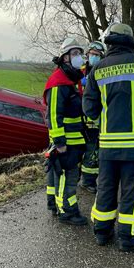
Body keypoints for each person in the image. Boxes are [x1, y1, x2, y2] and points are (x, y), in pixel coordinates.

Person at [83, 23, 134, 251]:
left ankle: (102, 232)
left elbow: (89, 108)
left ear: (110, 42)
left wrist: (104, 123)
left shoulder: (98, 69)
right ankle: (129, 238)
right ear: (130, 41)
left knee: (106, 187)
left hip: (107, 144)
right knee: (131, 189)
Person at [43, 37, 87, 225]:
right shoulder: (58, 82)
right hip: (66, 142)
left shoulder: (70, 80)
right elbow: (54, 115)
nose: (79, 57)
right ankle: (67, 211)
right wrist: (60, 143)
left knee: (61, 176)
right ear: (65, 58)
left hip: (74, 140)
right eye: (75, 54)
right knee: (67, 177)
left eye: (80, 53)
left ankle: (55, 204)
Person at [79, 41, 106, 194]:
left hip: (95, 119)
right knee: (80, 150)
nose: (93, 57)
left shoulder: (102, 71)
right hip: (79, 118)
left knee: (93, 150)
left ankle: (88, 181)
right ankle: (80, 178)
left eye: (97, 55)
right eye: (92, 54)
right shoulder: (80, 71)